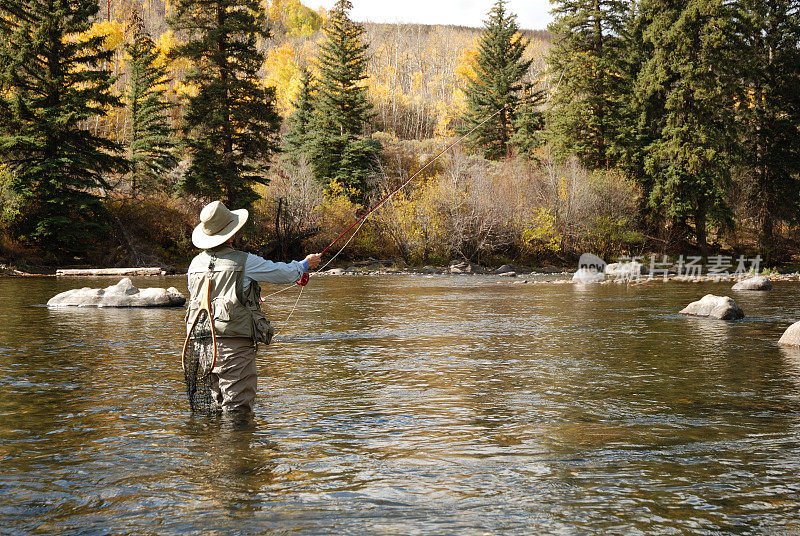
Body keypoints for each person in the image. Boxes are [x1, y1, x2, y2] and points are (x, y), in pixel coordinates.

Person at [186, 200, 321, 412]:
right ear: (230, 234)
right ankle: (238, 444)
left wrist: (247, 301)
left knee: (219, 402)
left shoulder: (195, 264)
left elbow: (206, 297)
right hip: (233, 347)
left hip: (201, 344)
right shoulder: (244, 261)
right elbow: (284, 273)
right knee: (237, 409)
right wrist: (305, 264)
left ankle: (214, 445)